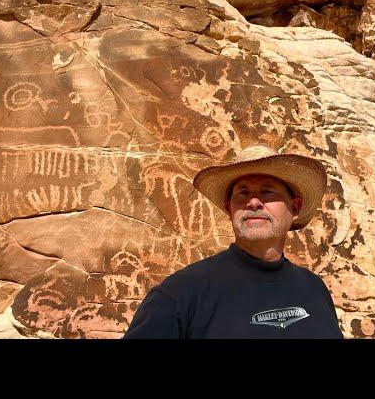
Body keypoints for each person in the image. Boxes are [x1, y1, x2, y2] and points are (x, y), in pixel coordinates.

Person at [123, 144, 343, 338]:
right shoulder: (182, 294)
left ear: (294, 208)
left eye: (267, 192)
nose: (254, 202)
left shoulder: (315, 290)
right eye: (242, 193)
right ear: (229, 208)